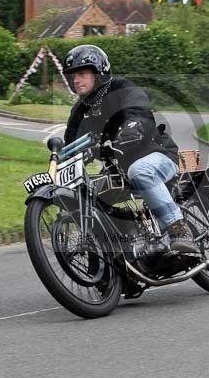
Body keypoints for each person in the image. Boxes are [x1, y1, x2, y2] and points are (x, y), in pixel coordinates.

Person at [62, 44, 198, 254]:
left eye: (81, 73)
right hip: (118, 170)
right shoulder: (80, 111)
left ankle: (179, 229)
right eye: (72, 76)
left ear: (99, 73)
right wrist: (65, 158)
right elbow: (71, 142)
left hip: (157, 154)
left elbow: (137, 109)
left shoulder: (122, 89)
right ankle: (119, 251)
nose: (76, 80)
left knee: (139, 171)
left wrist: (133, 125)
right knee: (92, 194)